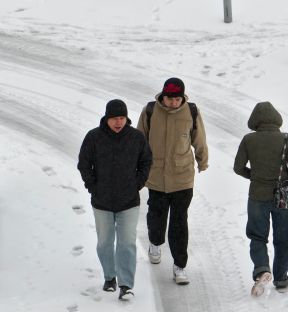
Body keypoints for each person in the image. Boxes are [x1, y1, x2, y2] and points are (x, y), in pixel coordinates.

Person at [78, 99, 153, 300]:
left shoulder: (136, 137)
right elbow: (84, 164)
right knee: (104, 243)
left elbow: (146, 161)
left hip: (129, 201)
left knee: (127, 242)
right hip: (102, 201)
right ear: (107, 118)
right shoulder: (94, 137)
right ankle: (110, 276)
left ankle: (126, 285)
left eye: (121, 118)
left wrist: (137, 183)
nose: (118, 122)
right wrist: (93, 187)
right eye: (114, 118)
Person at [136, 78, 208, 285]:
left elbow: (199, 138)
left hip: (182, 176)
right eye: (170, 99)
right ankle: (155, 243)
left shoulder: (191, 111)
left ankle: (180, 266)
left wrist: (203, 161)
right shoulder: (150, 111)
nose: (173, 103)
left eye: (177, 99)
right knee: (156, 215)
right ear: (163, 96)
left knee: (179, 222)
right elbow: (140, 140)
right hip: (157, 175)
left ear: (182, 97)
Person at [233, 101, 288, 297]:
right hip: (284, 197)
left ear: (255, 121)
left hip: (257, 194)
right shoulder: (285, 138)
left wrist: (255, 176)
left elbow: (238, 167)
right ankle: (282, 279)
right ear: (276, 119)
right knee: (283, 239)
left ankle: (262, 269)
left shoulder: (249, 139)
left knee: (257, 236)